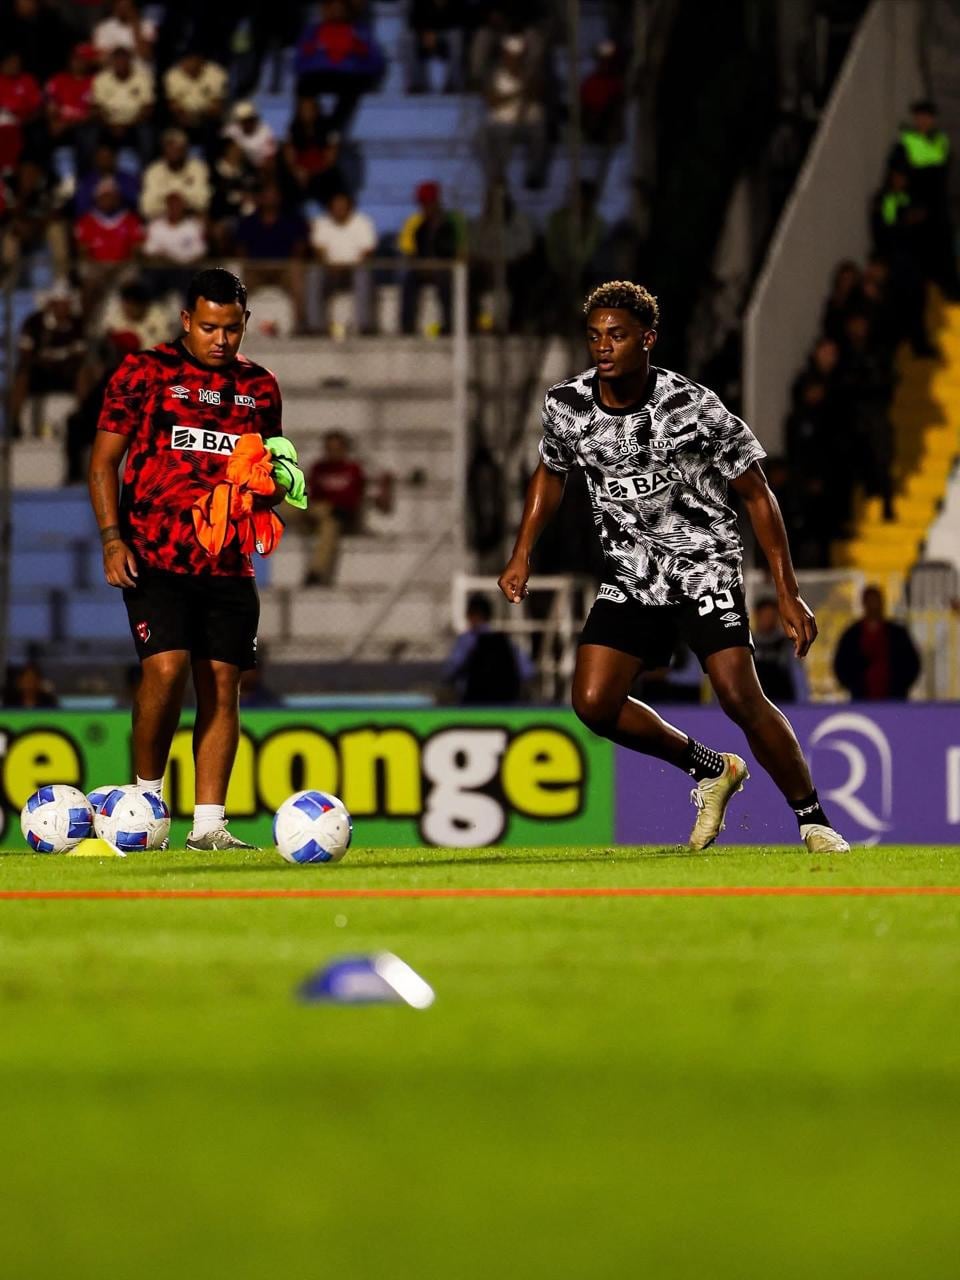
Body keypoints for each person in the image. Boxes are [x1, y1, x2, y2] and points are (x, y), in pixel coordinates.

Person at [498, 279, 850, 853]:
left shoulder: (692, 407)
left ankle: (814, 822)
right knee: (592, 703)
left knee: (738, 694)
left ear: (648, 339)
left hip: (702, 566)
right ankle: (711, 769)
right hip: (631, 575)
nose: (604, 346)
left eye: (617, 335)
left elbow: (757, 494)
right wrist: (522, 550)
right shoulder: (567, 406)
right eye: (595, 336)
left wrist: (785, 589)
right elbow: (551, 471)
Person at [87, 267, 299, 851]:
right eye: (209, 327)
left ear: (245, 324)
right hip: (154, 554)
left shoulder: (261, 388)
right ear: (186, 320)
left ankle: (209, 826)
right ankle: (146, 804)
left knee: (222, 684)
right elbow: (104, 460)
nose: (221, 340)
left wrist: (272, 486)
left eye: (232, 329)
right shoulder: (145, 372)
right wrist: (111, 537)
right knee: (166, 669)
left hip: (228, 563)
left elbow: (268, 471)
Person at [397, 180, 466, 335]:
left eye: (428, 202)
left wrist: (443, 266)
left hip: (447, 268)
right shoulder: (415, 223)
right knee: (409, 280)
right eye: (422, 203)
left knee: (446, 281)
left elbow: (461, 252)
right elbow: (409, 253)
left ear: (437, 201)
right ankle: (407, 327)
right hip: (422, 269)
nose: (425, 207)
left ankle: (450, 326)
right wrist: (422, 267)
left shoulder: (454, 221)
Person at [443, 593, 535, 704]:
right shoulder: (505, 642)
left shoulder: (467, 641)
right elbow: (527, 671)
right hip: (505, 702)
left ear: (470, 615)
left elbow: (451, 671)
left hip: (473, 702)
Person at [833, 584, 921, 701]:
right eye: (870, 601)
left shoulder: (897, 634)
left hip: (894, 698)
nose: (874, 605)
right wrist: (854, 684)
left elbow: (911, 663)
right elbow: (841, 665)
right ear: (864, 603)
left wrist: (901, 684)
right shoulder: (852, 635)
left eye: (876, 601)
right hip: (862, 699)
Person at [309, 190, 377, 334]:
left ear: (350, 207)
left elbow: (367, 252)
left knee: (363, 274)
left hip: (354, 270)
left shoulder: (362, 222)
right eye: (336, 206)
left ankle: (365, 326)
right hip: (329, 271)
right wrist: (330, 266)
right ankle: (315, 327)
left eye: (343, 206)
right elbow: (319, 251)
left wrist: (347, 267)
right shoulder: (322, 223)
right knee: (314, 274)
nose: (339, 209)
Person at [303, 429, 365, 585]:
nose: (332, 453)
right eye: (329, 449)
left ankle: (316, 572)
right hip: (318, 513)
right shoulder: (318, 468)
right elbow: (314, 496)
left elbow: (352, 499)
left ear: (344, 450)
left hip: (343, 518)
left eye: (337, 449)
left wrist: (331, 507)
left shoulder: (353, 470)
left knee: (329, 526)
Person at [140, 127, 211, 221]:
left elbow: (203, 201)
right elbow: (146, 207)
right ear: (163, 149)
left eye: (178, 147)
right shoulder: (153, 171)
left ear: (185, 149)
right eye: (169, 146)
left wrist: (168, 201)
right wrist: (178, 204)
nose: (173, 151)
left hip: (191, 218)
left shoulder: (198, 168)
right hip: (162, 221)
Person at [751, 597, 802, 703]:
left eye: (772, 616)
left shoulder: (787, 643)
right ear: (757, 616)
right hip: (753, 702)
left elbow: (797, 674)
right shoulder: (747, 643)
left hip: (783, 701)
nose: (768, 620)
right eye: (765, 616)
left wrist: (801, 704)